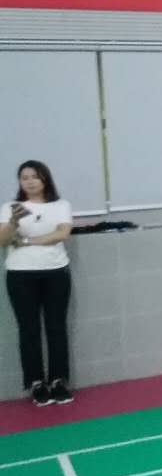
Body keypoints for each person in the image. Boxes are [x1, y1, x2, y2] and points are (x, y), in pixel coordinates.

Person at [1, 161, 76, 407]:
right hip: (20, 274)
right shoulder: (10, 207)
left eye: (35, 176)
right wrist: (13, 222)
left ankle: (58, 381)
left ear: (45, 179)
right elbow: (3, 241)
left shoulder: (61, 205)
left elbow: (62, 233)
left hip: (56, 272)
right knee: (29, 329)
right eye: (24, 177)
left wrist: (26, 241)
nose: (30, 181)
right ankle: (36, 383)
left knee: (56, 327)